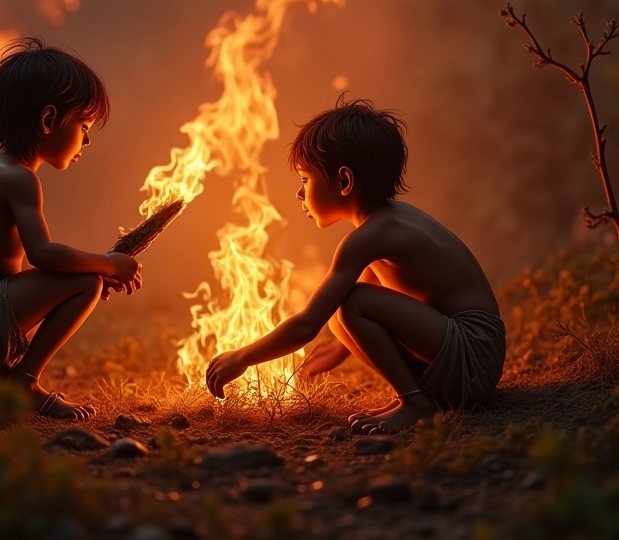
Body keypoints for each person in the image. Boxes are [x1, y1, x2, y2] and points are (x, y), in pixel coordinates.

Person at [206, 97, 505, 433]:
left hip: (472, 356)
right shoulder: (388, 224)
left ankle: (416, 404)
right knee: (343, 310)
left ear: (345, 182)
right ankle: (416, 396)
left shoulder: (371, 236)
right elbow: (367, 300)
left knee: (351, 303)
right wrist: (339, 348)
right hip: (470, 357)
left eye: (305, 180)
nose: (299, 194)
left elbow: (307, 324)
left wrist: (242, 358)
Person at [0, 37, 142, 421]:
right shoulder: (19, 179)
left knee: (79, 279)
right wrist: (107, 265)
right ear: (48, 120)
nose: (87, 139)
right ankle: (23, 382)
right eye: (85, 125)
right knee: (87, 282)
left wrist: (68, 282)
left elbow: (11, 270)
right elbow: (43, 253)